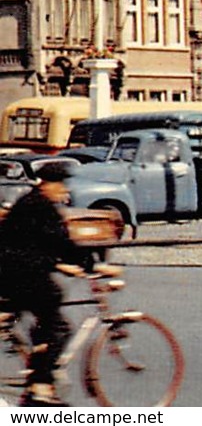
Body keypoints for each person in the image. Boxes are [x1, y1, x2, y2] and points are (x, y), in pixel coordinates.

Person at [0, 165, 90, 406]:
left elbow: (43, 244)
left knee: (48, 321)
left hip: (14, 272)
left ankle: (38, 367)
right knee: (58, 322)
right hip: (18, 274)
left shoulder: (30, 201)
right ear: (48, 184)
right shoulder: (41, 207)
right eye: (61, 185)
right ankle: (40, 385)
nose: (64, 190)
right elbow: (61, 243)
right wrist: (91, 266)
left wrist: (62, 264)